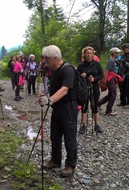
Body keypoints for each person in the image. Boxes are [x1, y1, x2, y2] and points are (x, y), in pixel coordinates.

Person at [38, 45, 78, 177]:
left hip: (68, 108)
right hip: (57, 108)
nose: (45, 61)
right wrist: (46, 96)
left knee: (69, 137)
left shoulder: (68, 69)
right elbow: (54, 88)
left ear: (55, 58)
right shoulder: (54, 70)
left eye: (47, 59)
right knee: (55, 136)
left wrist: (49, 100)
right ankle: (55, 160)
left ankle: (70, 165)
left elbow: (65, 89)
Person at [77, 46, 104, 134]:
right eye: (87, 53)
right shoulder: (81, 65)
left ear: (93, 54)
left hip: (95, 87)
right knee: (84, 106)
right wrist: (82, 76)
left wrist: (94, 79)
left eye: (90, 53)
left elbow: (101, 75)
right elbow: (77, 78)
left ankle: (97, 125)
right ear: (84, 54)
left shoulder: (97, 64)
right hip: (84, 88)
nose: (88, 55)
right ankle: (83, 125)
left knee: (94, 105)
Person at [98, 47, 122, 116]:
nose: (118, 53)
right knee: (113, 95)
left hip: (112, 78)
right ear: (113, 53)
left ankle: (99, 103)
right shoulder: (111, 61)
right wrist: (104, 81)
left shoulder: (113, 61)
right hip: (110, 79)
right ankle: (109, 110)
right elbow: (106, 71)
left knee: (110, 95)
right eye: (117, 52)